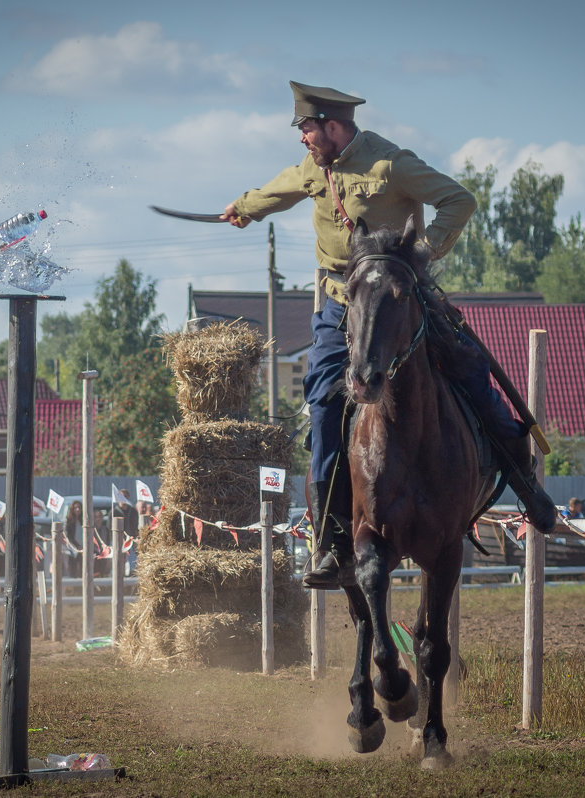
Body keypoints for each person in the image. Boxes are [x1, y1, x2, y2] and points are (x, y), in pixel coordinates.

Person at [221, 81, 557, 589]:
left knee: (471, 372)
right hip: (340, 310)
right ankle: (333, 541)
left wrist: (423, 252)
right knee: (324, 406)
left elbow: (457, 200)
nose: (303, 140)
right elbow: (278, 190)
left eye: (307, 130)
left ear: (333, 126)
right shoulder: (315, 167)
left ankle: (525, 482)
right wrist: (243, 208)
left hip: (404, 304)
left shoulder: (390, 164)